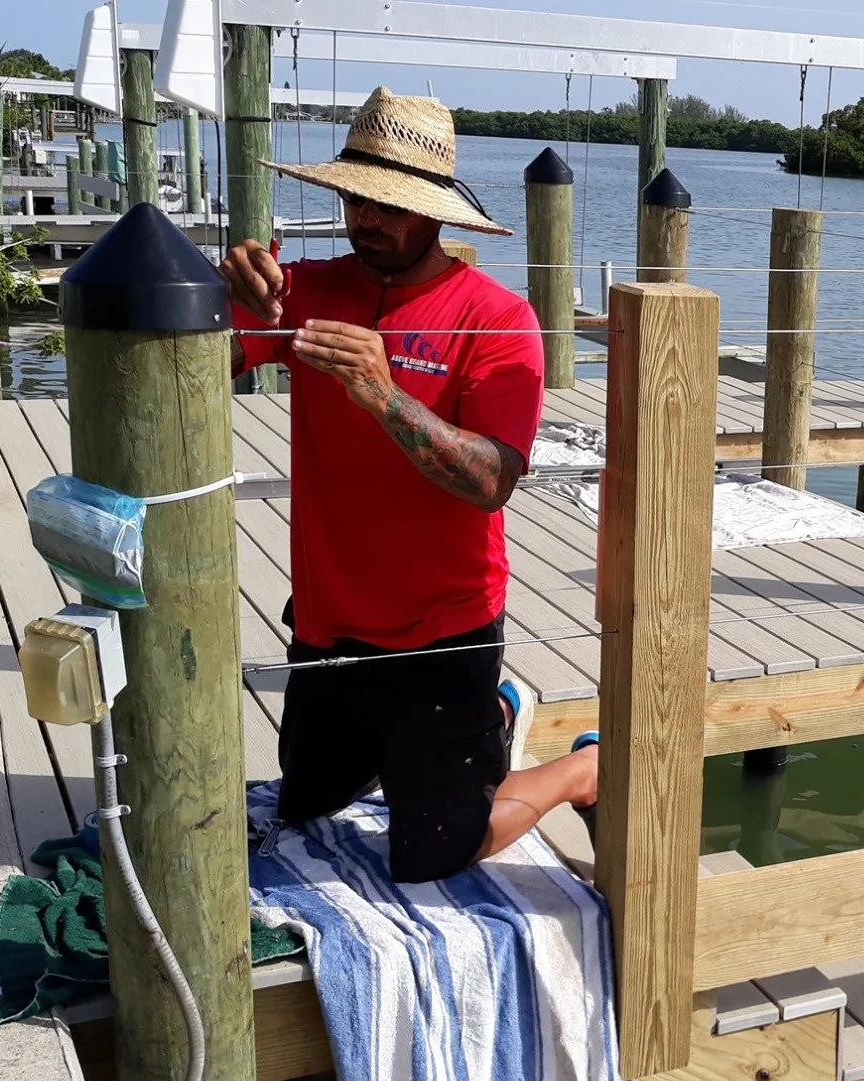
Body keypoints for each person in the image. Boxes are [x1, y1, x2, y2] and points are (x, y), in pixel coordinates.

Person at [219, 87, 597, 884]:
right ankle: (479, 727)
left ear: (435, 213)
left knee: (434, 855)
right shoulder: (310, 291)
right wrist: (219, 298)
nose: (368, 219)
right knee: (308, 803)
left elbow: (493, 480)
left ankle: (568, 764)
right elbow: (204, 366)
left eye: (390, 206)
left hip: (442, 631)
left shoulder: (496, 318)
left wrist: (386, 396)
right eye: (356, 197)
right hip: (329, 624)